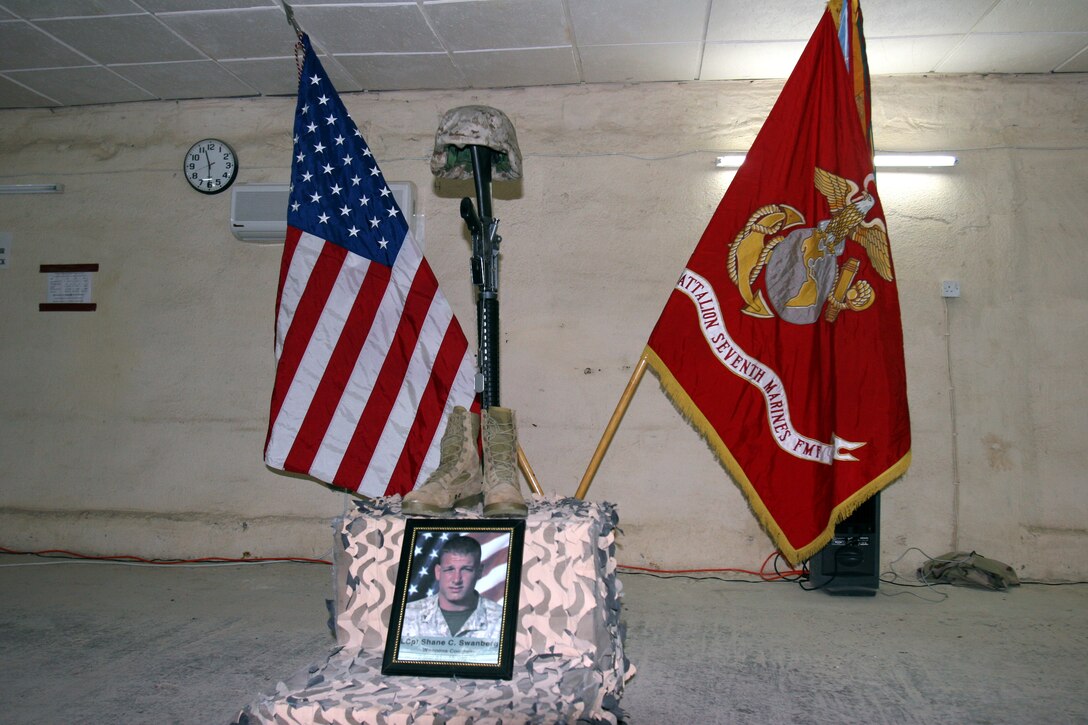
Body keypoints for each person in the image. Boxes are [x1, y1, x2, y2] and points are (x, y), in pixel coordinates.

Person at [400, 535, 504, 641]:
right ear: (438, 572)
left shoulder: (501, 620)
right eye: (449, 569)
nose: (456, 579)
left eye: (466, 569)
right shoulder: (406, 616)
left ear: (479, 572)